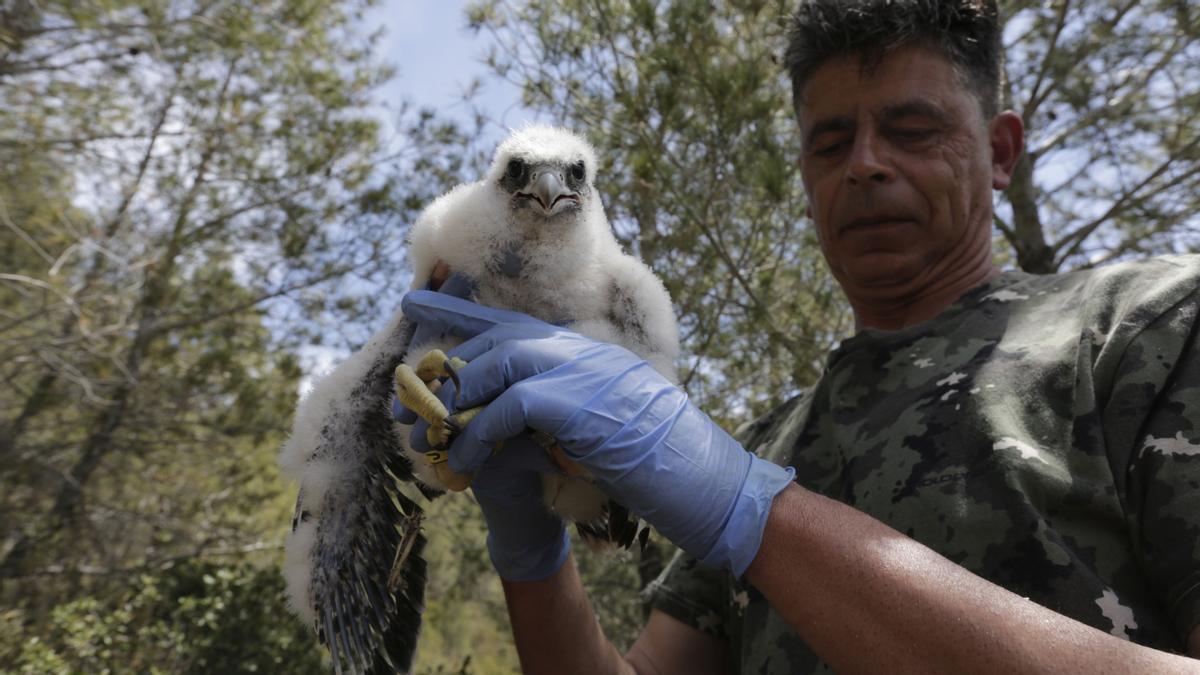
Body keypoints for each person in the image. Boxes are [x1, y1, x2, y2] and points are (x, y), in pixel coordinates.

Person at [397, 0, 1200, 671]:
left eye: (912, 129)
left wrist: (757, 514)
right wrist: (532, 550)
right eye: (830, 141)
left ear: (999, 151)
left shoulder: (1147, 329)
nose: (865, 165)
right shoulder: (765, 443)